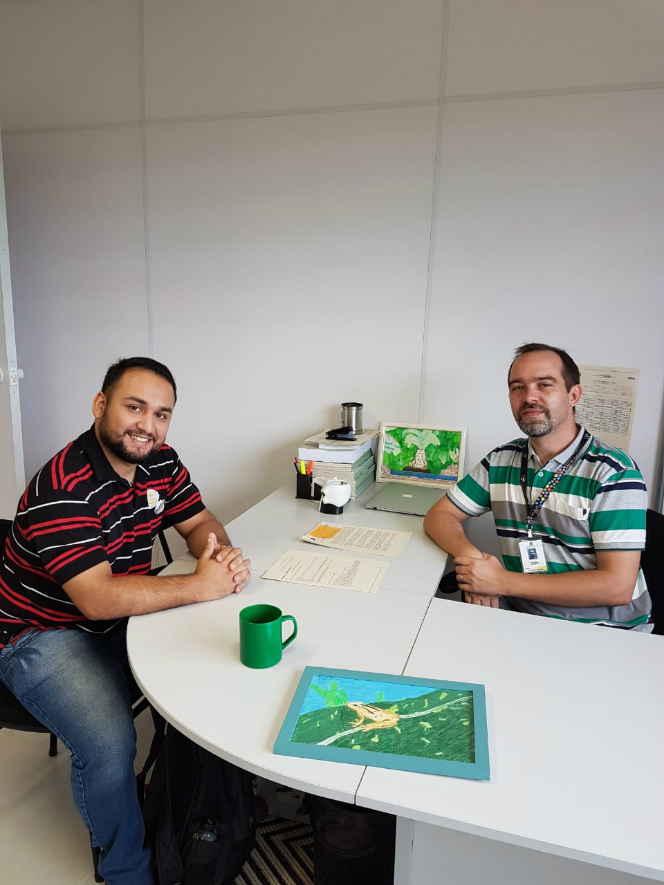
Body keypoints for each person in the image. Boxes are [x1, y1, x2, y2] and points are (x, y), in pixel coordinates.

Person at [0, 357, 251, 885]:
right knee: (111, 744)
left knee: (208, 675)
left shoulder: (160, 461)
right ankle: (127, 872)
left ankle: (191, 817)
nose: (147, 425)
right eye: (134, 407)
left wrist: (218, 555)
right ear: (100, 406)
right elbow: (96, 599)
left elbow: (201, 521)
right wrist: (200, 585)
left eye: (161, 414)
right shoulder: (63, 484)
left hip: (120, 616)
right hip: (42, 635)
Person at [424, 343, 651, 631]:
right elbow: (439, 516)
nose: (529, 396)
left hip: (604, 630)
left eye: (544, 384)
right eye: (517, 387)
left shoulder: (614, 472)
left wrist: (501, 581)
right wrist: (474, 561)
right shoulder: (501, 460)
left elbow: (616, 587)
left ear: (573, 395)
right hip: (521, 613)